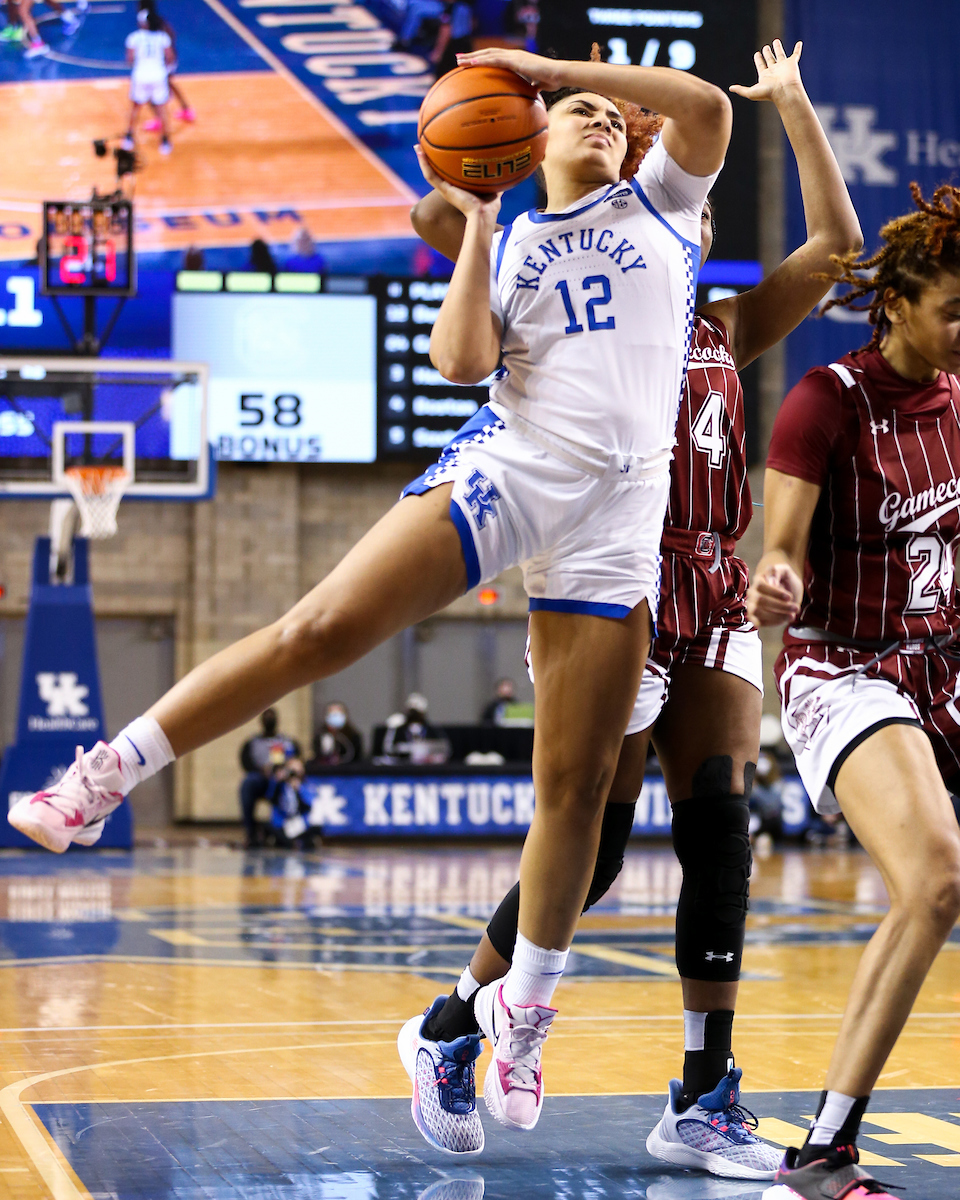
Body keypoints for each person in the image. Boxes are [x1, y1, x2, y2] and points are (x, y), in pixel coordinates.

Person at [9, 41, 730, 1157]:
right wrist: (482, 218)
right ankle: (109, 773)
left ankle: (519, 1026)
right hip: (514, 469)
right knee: (321, 629)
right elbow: (456, 362)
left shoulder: (666, 209)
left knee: (578, 798)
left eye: (608, 110)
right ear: (528, 140)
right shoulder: (515, 235)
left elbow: (707, 105)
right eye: (574, 109)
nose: (599, 118)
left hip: (617, 527)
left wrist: (549, 69)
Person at [399, 40, 862, 1175]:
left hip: (709, 582)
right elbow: (434, 216)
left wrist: (795, 108)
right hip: (609, 572)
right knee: (594, 845)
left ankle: (703, 1093)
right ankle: (456, 1025)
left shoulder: (731, 331)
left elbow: (840, 248)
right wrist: (486, 172)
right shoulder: (569, 270)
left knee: (721, 828)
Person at [746, 181, 960, 1200]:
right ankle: (826, 1147)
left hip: (940, 659)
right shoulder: (826, 399)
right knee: (934, 877)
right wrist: (777, 581)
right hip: (842, 663)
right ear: (900, 303)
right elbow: (778, 551)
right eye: (956, 309)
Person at [239, 709, 301, 848]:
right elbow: (246, 764)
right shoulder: (252, 742)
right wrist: (263, 770)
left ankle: (288, 832)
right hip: (261, 780)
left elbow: (297, 761)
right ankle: (251, 832)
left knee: (293, 789)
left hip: (283, 780)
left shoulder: (287, 741)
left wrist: (286, 771)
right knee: (248, 783)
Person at [122, 5, 175, 156]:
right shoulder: (162, 37)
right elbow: (170, 57)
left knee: (135, 107)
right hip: (158, 76)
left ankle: (129, 137)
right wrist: (163, 70)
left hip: (141, 76)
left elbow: (130, 59)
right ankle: (165, 141)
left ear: (143, 24)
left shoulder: (133, 37)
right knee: (161, 109)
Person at [138, 1, 195, 129]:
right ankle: (186, 110)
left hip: (161, 60)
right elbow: (171, 34)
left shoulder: (146, 18)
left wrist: (165, 54)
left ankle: (160, 119)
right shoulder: (156, 18)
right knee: (168, 83)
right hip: (165, 58)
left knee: (151, 90)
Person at [380, 693, 450, 765]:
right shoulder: (398, 730)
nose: (414, 716)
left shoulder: (433, 731)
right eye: (412, 712)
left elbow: (444, 750)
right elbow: (389, 750)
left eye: (417, 713)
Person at [305, 702, 363, 768]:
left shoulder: (353, 735)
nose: (335, 716)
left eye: (338, 713)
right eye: (332, 713)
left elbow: (357, 758)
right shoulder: (319, 735)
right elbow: (316, 756)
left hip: (349, 772)